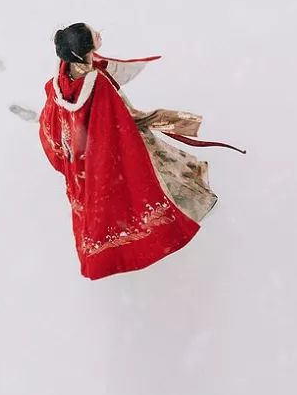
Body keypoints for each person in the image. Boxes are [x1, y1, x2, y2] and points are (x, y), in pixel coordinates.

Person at [38, 22, 245, 280]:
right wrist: (169, 120)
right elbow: (123, 114)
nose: (100, 35)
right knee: (152, 174)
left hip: (84, 150)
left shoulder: (63, 77)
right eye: (95, 35)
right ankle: (189, 206)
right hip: (107, 143)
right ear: (85, 50)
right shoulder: (97, 83)